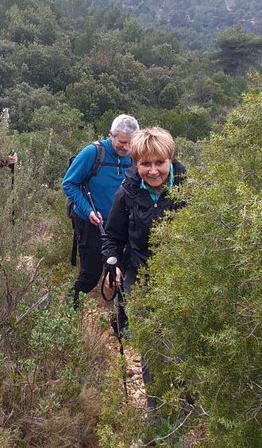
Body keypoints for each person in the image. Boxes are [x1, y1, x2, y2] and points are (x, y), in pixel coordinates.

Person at [101, 126, 186, 411]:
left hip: (182, 278)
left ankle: (191, 410)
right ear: (136, 164)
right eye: (145, 164)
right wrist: (112, 265)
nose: (152, 171)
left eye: (159, 163)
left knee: (183, 343)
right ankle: (157, 414)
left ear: (170, 160)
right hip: (141, 278)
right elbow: (112, 237)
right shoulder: (127, 193)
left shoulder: (190, 190)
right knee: (152, 346)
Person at [62, 114, 139, 307]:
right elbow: (69, 184)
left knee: (121, 275)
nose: (127, 147)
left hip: (122, 226)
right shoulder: (93, 153)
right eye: (122, 142)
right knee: (90, 275)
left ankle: (120, 322)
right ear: (110, 135)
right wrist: (87, 210)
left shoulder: (136, 156)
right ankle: (68, 311)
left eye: (131, 143)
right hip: (92, 223)